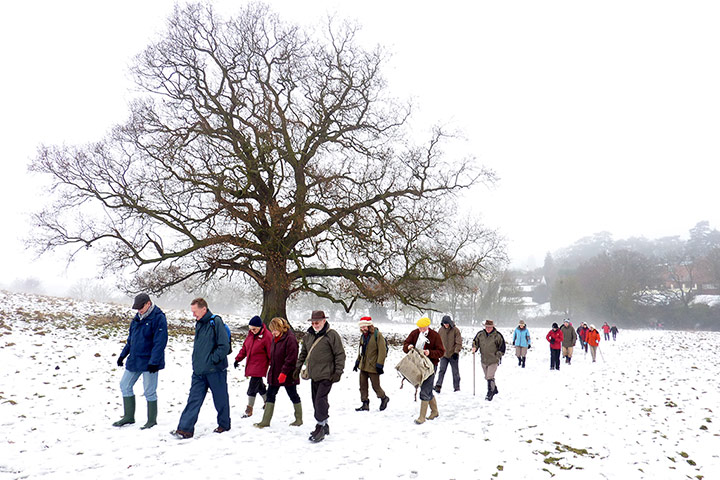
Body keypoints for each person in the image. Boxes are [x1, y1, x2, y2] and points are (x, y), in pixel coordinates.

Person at [171, 298, 231, 439]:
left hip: (215, 370)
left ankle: (224, 425)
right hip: (199, 371)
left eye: (195, 312)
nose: (193, 315)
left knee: (220, 399)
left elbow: (224, 346)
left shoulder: (215, 322)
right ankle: (184, 429)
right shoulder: (199, 324)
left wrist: (212, 360)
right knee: (193, 399)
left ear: (203, 309)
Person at [113, 293, 168, 429]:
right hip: (135, 359)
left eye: (140, 307)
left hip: (150, 362)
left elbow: (160, 342)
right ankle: (129, 417)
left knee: (149, 391)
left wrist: (154, 362)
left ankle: (151, 420)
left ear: (148, 303)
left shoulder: (158, 318)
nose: (139, 310)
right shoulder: (137, 319)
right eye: (137, 308)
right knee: (125, 385)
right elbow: (131, 340)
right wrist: (122, 355)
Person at [295, 310, 346, 443]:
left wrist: (338, 372)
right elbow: (303, 353)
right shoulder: (308, 336)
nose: (315, 325)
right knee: (316, 401)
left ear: (324, 321)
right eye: (313, 322)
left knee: (320, 401)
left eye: (317, 322)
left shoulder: (332, 335)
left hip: (327, 375)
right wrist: (297, 368)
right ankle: (325, 424)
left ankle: (320, 427)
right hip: (314, 375)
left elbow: (340, 354)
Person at [254, 317, 303, 428]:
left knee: (293, 395)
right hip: (275, 373)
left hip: (288, 374)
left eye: (275, 330)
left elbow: (291, 358)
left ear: (281, 328)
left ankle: (299, 419)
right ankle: (265, 421)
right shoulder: (274, 338)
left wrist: (284, 373)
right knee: (270, 395)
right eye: (272, 330)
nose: (273, 332)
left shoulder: (290, 339)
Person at [403, 317, 445, 423]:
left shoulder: (435, 336)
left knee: (425, 389)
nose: (421, 330)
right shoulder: (414, 333)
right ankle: (435, 412)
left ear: (428, 326)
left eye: (423, 328)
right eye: (419, 328)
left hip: (430, 366)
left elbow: (441, 352)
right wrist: (408, 347)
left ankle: (422, 417)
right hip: (417, 365)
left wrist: (429, 353)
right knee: (427, 388)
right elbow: (405, 345)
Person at [233, 315, 272, 419]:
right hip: (251, 364)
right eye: (250, 329)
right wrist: (238, 359)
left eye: (254, 329)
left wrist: (274, 364)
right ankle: (268, 402)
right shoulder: (250, 335)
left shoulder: (267, 336)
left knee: (252, 387)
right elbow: (245, 349)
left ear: (260, 327)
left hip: (260, 365)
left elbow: (271, 352)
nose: (252, 331)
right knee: (259, 386)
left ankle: (249, 409)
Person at [353, 316, 390, 411]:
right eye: (361, 327)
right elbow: (361, 350)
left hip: (373, 366)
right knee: (362, 386)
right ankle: (365, 403)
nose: (363, 329)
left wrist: (380, 365)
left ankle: (384, 398)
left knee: (376, 386)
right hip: (363, 365)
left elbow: (382, 351)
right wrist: (357, 362)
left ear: (370, 325)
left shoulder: (378, 335)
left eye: (364, 327)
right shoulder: (363, 336)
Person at [471, 319, 506, 401]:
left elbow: (502, 348)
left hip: (493, 360)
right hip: (484, 359)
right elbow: (475, 342)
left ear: (493, 327)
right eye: (487, 327)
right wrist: (474, 347)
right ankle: (495, 388)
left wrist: (498, 355)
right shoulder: (480, 334)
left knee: (489, 376)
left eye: (490, 327)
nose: (488, 328)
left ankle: (490, 393)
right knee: (487, 377)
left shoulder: (497, 335)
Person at [434, 315, 462, 393]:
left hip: (453, 355)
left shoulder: (455, 330)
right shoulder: (441, 330)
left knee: (455, 372)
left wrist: (456, 352)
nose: (446, 325)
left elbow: (459, 342)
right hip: (444, 355)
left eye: (447, 323)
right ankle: (438, 386)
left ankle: (457, 387)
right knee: (442, 370)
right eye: (444, 323)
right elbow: (437, 342)